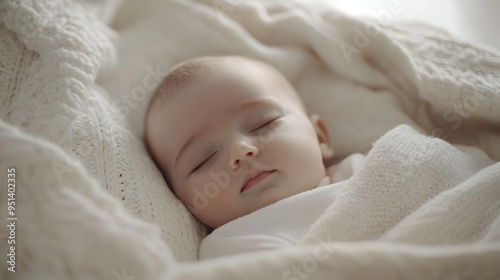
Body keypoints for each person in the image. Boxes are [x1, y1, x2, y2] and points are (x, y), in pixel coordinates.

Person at [144, 56, 365, 259]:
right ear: (181, 201)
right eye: (204, 159)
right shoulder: (232, 248)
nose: (240, 151)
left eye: (264, 124)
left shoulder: (366, 171)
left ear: (320, 138)